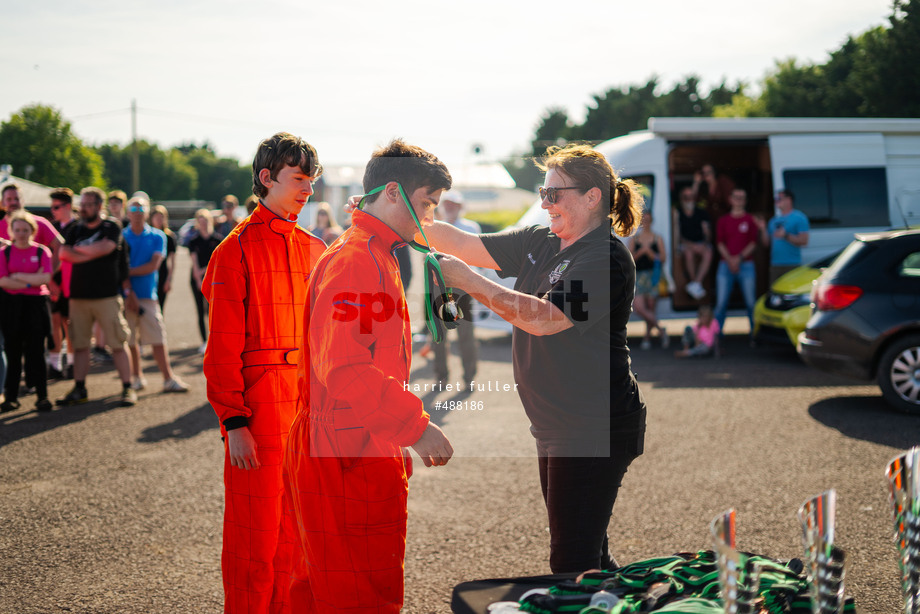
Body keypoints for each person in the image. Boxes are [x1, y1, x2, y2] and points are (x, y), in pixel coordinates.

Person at [430, 143, 647, 574]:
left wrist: (469, 281)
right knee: (589, 552)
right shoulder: (541, 240)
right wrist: (392, 213)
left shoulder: (606, 257)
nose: (545, 203)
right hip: (559, 423)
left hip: (592, 426)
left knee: (572, 560)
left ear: (592, 197)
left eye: (555, 194)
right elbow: (460, 241)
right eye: (542, 193)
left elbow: (544, 319)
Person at [285, 139, 454, 613]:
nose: (431, 218)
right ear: (394, 193)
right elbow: (345, 367)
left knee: (339, 590)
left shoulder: (376, 252)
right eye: (427, 204)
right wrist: (416, 427)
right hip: (344, 453)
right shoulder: (358, 258)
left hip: (355, 445)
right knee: (354, 596)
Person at [202, 132, 328, 614]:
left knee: (299, 535)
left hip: (307, 414)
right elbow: (222, 350)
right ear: (266, 178)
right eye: (300, 179)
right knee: (252, 540)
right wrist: (233, 422)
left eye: (312, 180)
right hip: (258, 414)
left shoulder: (317, 249)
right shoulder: (233, 252)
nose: (308, 190)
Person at [56, 187, 137, 408]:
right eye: (81, 205)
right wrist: (90, 250)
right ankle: (79, 388)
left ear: (99, 206)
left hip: (107, 296)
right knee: (80, 345)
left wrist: (79, 251)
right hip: (79, 297)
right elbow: (63, 254)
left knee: (117, 343)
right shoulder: (74, 228)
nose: (82, 209)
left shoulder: (111, 226)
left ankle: (127, 387)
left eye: (88, 205)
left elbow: (107, 247)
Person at [123, 196, 189, 393]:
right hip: (126, 295)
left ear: (147, 212)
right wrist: (127, 289)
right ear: (128, 213)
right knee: (131, 340)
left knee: (158, 338)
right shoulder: (121, 236)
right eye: (133, 210)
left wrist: (126, 272)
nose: (137, 214)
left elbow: (153, 266)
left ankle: (167, 378)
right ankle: (137, 376)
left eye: (141, 209)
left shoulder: (158, 236)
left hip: (148, 295)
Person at [0, 210, 53, 412]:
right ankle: (11, 397)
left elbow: (45, 278)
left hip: (36, 306)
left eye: (25, 229)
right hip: (11, 307)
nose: (21, 233)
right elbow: (2, 281)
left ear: (32, 230)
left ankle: (42, 396)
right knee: (13, 352)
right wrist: (31, 279)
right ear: (11, 231)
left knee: (37, 351)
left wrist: (18, 276)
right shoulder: (4, 253)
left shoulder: (42, 252)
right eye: (17, 229)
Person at [431, 189, 479, 382]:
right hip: (437, 285)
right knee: (438, 334)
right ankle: (441, 376)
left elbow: (477, 257)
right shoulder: (434, 227)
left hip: (462, 286)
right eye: (447, 204)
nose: (450, 207)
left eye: (454, 204)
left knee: (465, 333)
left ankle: (469, 377)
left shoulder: (471, 227)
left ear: (460, 207)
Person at [714, 188, 760, 336]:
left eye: (742, 197)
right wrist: (730, 260)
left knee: (751, 303)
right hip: (725, 265)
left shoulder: (750, 220)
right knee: (721, 303)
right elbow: (719, 243)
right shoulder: (723, 220)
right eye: (736, 197)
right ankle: (715, 336)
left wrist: (738, 258)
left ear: (745, 201)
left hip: (746, 265)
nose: (739, 200)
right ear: (731, 199)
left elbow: (753, 243)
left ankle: (755, 335)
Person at [48, 188, 78, 379]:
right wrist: (50, 280)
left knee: (70, 324)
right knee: (55, 322)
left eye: (57, 207)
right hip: (53, 282)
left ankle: (74, 363)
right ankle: (55, 364)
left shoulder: (79, 227)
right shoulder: (52, 227)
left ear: (67, 206)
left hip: (73, 283)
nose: (53, 211)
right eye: (52, 207)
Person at [630, 209, 668, 350]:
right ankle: (661, 330)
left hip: (654, 276)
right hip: (639, 276)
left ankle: (646, 338)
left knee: (651, 307)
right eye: (643, 220)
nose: (646, 223)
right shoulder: (635, 239)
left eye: (648, 220)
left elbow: (663, 258)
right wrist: (642, 251)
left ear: (651, 221)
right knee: (639, 307)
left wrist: (650, 252)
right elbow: (630, 259)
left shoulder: (658, 238)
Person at [187, 209, 222, 354]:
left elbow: (219, 262)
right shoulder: (194, 241)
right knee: (200, 310)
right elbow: (194, 263)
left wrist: (205, 270)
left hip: (214, 278)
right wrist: (198, 278)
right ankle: (204, 341)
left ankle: (215, 339)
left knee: (213, 311)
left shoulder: (218, 239)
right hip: (198, 278)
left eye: (205, 221)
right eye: (200, 222)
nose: (203, 225)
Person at [757, 189, 810, 283]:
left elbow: (804, 241)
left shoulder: (799, 217)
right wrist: (763, 228)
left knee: (791, 294)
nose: (776, 201)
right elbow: (766, 243)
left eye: (779, 198)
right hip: (775, 265)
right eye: (775, 199)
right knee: (775, 294)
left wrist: (785, 235)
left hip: (792, 265)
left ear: (789, 200)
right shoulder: (773, 220)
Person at [674, 186, 712, 300]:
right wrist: (688, 244)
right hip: (685, 244)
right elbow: (677, 234)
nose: (689, 199)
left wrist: (705, 239)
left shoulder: (702, 213)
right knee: (688, 253)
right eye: (686, 197)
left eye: (691, 197)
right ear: (681, 199)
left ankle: (696, 283)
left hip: (700, 243)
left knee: (709, 252)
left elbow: (708, 235)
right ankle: (695, 282)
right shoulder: (677, 213)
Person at [149, 205, 177, 314]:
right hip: (148, 273)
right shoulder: (148, 235)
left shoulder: (169, 237)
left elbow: (172, 261)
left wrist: (169, 280)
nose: (158, 220)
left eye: (161, 217)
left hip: (162, 274)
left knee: (160, 309)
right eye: (156, 217)